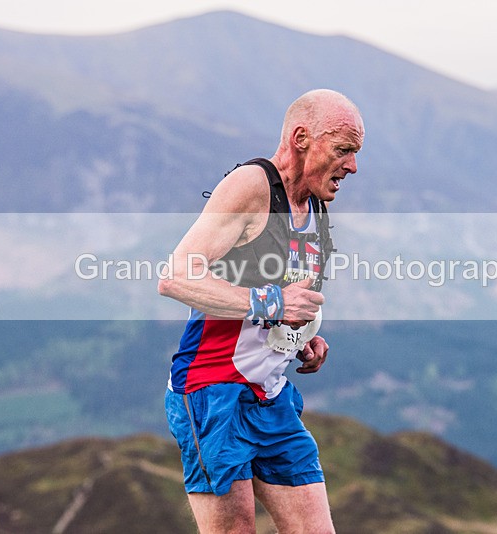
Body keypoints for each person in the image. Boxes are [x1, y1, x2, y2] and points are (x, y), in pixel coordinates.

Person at [159, 88, 364, 533]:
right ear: (301, 138)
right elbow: (176, 277)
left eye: (355, 153)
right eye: (343, 150)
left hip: (270, 395)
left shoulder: (314, 205)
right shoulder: (252, 186)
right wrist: (273, 304)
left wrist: (301, 338)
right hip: (212, 391)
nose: (352, 166)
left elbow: (280, 298)